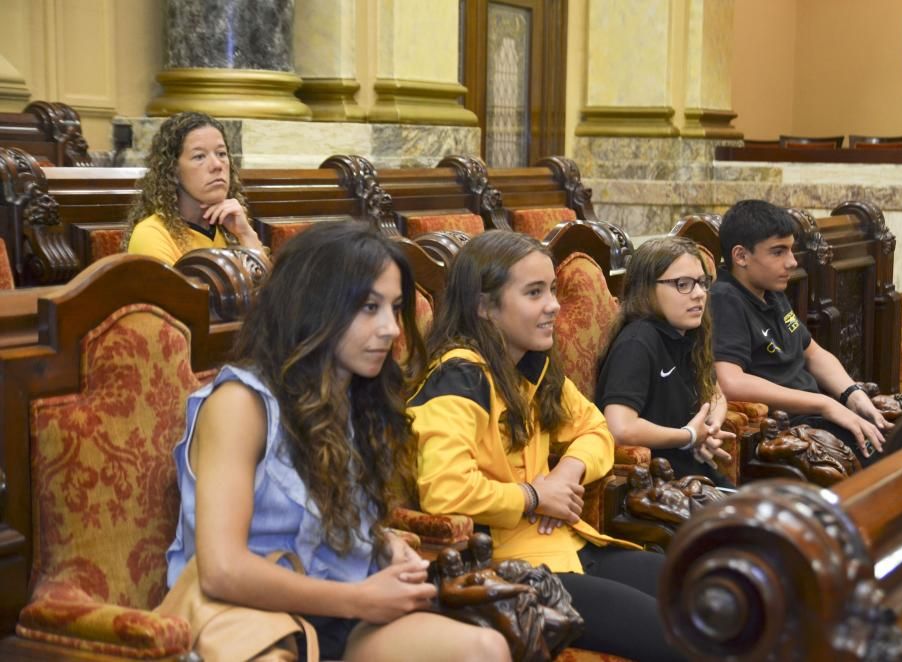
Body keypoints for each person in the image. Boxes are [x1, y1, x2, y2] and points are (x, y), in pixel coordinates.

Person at [164, 222, 508, 661]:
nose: (391, 329)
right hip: (251, 620)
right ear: (314, 307)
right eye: (369, 307)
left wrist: (383, 544)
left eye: (395, 308)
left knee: (484, 648)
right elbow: (222, 570)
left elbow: (321, 517)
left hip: (340, 613)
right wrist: (360, 599)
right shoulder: (239, 404)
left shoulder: (357, 397)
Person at [408, 230, 683, 662]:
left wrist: (564, 475)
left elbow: (596, 429)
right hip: (514, 570)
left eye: (552, 290)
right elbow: (445, 491)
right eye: (535, 293)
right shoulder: (458, 378)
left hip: (570, 543)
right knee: (683, 636)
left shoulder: (533, 363)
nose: (554, 306)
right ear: (483, 306)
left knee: (706, 591)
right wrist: (534, 496)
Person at [710, 199, 891, 466]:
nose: (792, 262)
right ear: (741, 256)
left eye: (791, 250)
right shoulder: (725, 298)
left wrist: (851, 393)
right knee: (878, 464)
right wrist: (823, 404)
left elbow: (814, 353)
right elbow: (731, 382)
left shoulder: (769, 290)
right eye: (778, 252)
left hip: (814, 414)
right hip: (784, 429)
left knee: (900, 442)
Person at [594, 236, 735, 486]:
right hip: (656, 485)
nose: (699, 294)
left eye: (702, 283)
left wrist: (709, 429)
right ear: (647, 289)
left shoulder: (689, 332)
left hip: (694, 474)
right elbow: (620, 427)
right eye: (683, 284)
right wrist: (688, 436)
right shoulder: (637, 342)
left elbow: (715, 394)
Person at [124, 111, 264, 264]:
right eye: (199, 156)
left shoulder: (230, 228)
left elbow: (271, 287)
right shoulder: (151, 234)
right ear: (172, 170)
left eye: (221, 154)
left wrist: (245, 234)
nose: (217, 165)